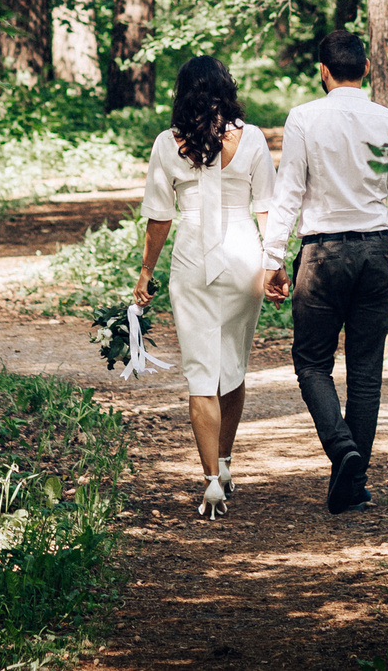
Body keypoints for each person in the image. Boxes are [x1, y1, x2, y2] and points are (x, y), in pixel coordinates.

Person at [260, 29, 388, 515]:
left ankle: (342, 450)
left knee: (312, 362)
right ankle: (353, 481)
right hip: (376, 253)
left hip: (322, 254)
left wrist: (273, 258)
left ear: (323, 71)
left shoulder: (305, 119)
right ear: (368, 69)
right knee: (365, 371)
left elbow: (288, 191)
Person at [134, 54, 277, 521]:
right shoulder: (252, 138)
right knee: (232, 362)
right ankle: (227, 461)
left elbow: (160, 216)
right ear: (226, 89)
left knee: (202, 370)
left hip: (192, 260)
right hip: (243, 257)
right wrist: (275, 263)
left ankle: (211, 479)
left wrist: (146, 272)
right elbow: (266, 208)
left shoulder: (166, 143)